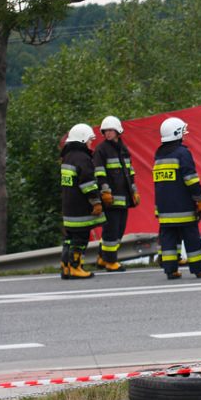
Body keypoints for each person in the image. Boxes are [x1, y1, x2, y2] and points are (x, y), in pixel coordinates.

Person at [153, 117, 201, 280]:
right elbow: (191, 179)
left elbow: (159, 185)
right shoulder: (182, 153)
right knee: (191, 238)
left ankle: (170, 270)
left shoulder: (159, 156)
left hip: (165, 209)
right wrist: (200, 199)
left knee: (168, 240)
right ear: (177, 134)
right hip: (183, 207)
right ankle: (199, 268)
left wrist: (157, 208)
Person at [60, 123, 106, 279]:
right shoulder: (82, 158)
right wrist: (96, 202)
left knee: (69, 238)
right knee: (80, 239)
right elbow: (88, 184)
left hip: (68, 207)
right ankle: (75, 267)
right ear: (82, 140)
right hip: (80, 209)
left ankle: (66, 267)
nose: (90, 143)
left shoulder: (67, 157)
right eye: (89, 140)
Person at [93, 116, 137, 273]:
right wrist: (105, 192)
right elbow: (99, 172)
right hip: (110, 198)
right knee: (111, 230)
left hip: (123, 197)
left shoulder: (123, 149)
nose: (108, 134)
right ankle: (111, 262)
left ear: (118, 131)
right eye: (105, 131)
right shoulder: (101, 149)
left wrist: (134, 190)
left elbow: (130, 171)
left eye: (111, 130)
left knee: (119, 230)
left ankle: (101, 257)